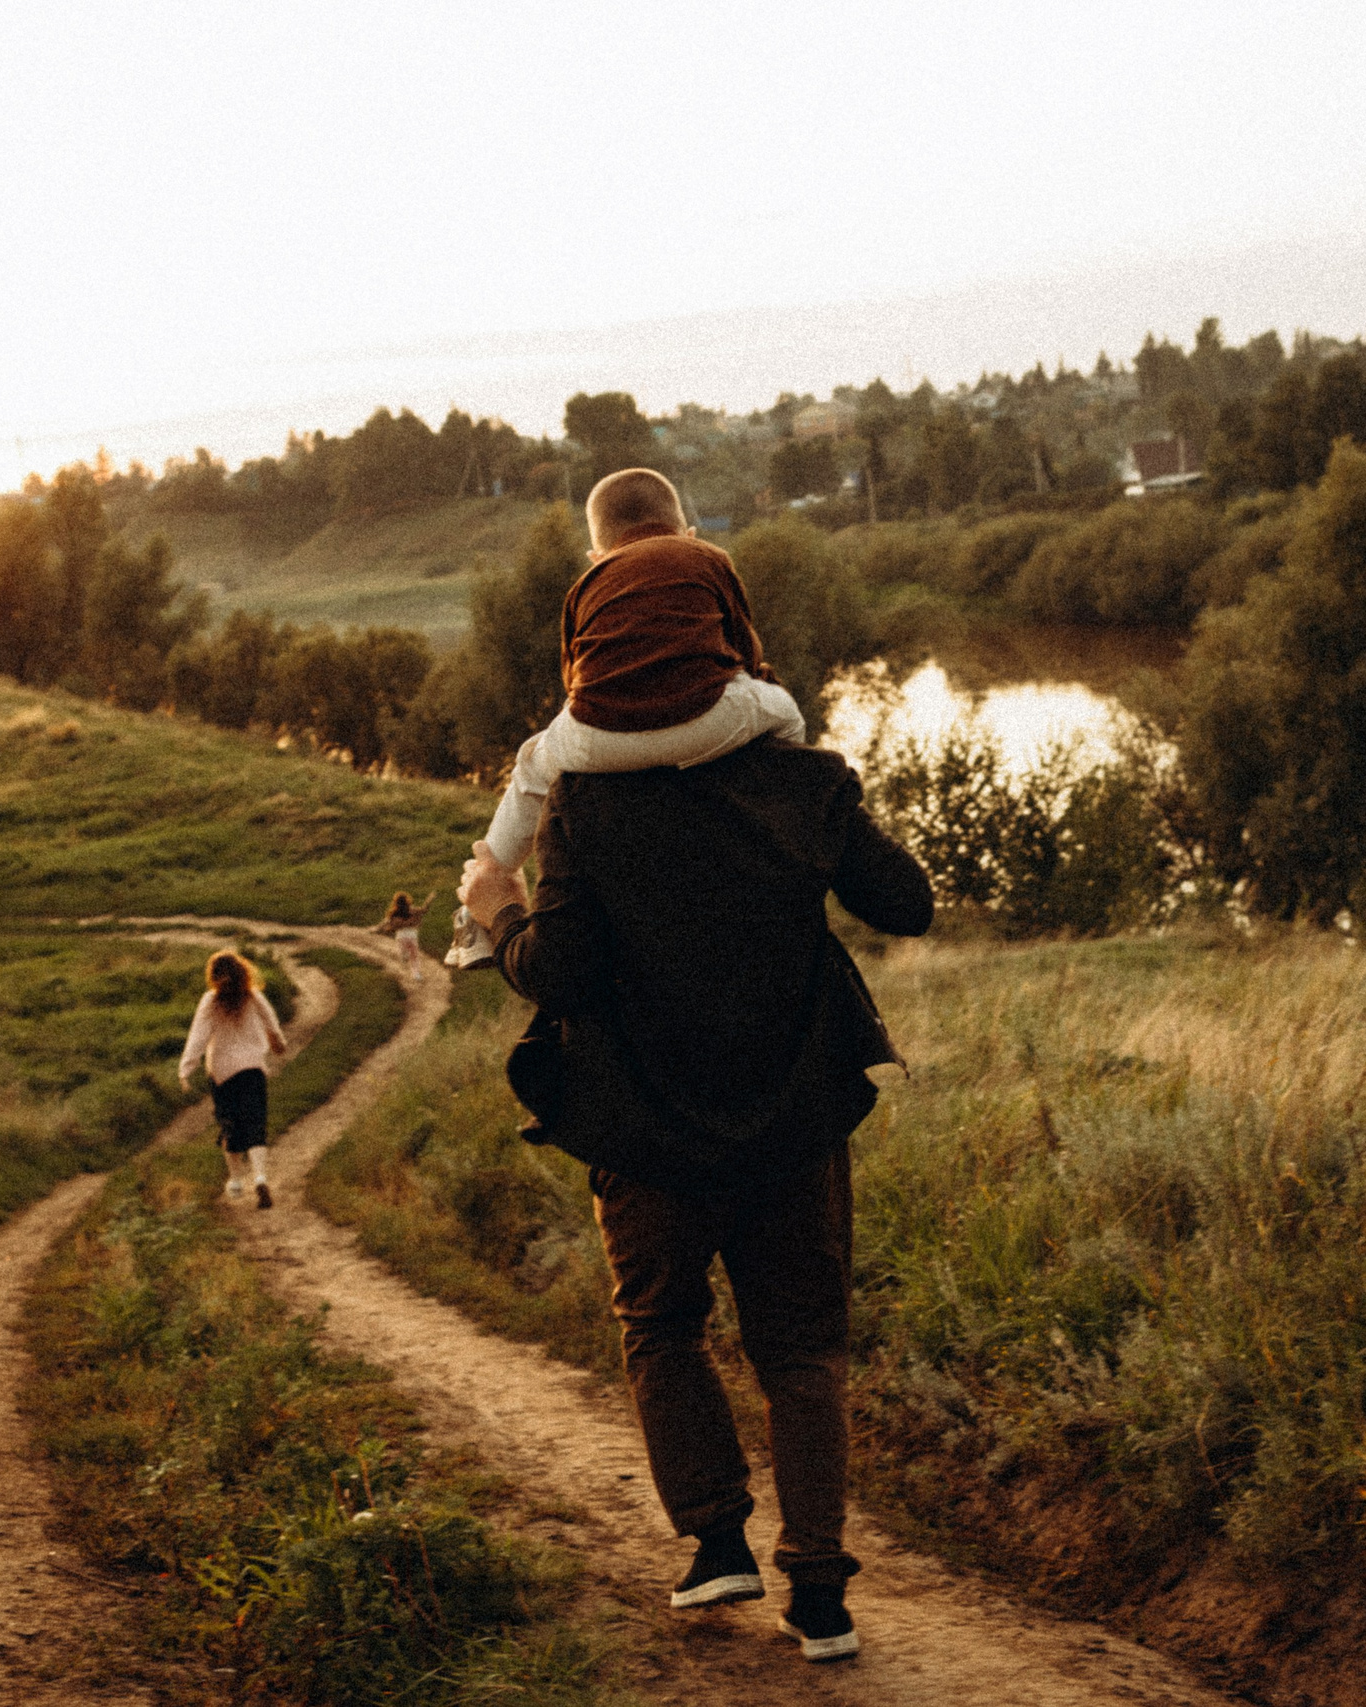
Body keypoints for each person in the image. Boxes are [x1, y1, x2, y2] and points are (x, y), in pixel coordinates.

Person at [456, 473, 933, 1664]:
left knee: (661, 1328)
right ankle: (819, 1597)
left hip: (642, 1133)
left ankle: (715, 1548)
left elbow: (556, 976)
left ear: (592, 639)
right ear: (725, 626)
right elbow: (906, 905)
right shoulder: (804, 782)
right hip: (791, 1123)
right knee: (803, 1352)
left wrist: (497, 909)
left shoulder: (578, 809)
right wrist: (822, 800)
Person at [443, 469, 804, 972]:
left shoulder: (586, 585)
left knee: (531, 763)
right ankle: (783, 806)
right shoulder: (708, 559)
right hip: (708, 722)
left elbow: (576, 677)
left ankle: (473, 920)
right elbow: (745, 647)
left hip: (600, 737)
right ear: (688, 534)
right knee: (783, 711)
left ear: (597, 555)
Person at [176, 949, 289, 1209]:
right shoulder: (253, 996)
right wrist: (278, 1043)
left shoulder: (210, 1001)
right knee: (256, 1123)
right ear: (242, 972)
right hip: (252, 1068)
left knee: (230, 1124)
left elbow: (198, 1037)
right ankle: (260, 1177)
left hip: (223, 1073)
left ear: (213, 977)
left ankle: (236, 1179)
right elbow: (271, 1022)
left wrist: (186, 1069)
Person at [376, 890, 433, 981]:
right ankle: (416, 974)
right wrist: (429, 900)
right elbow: (423, 910)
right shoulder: (413, 910)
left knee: (403, 952)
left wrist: (380, 929)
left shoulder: (394, 913)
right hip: (412, 934)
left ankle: (404, 956)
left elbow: (387, 923)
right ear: (407, 900)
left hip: (401, 935)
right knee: (414, 955)